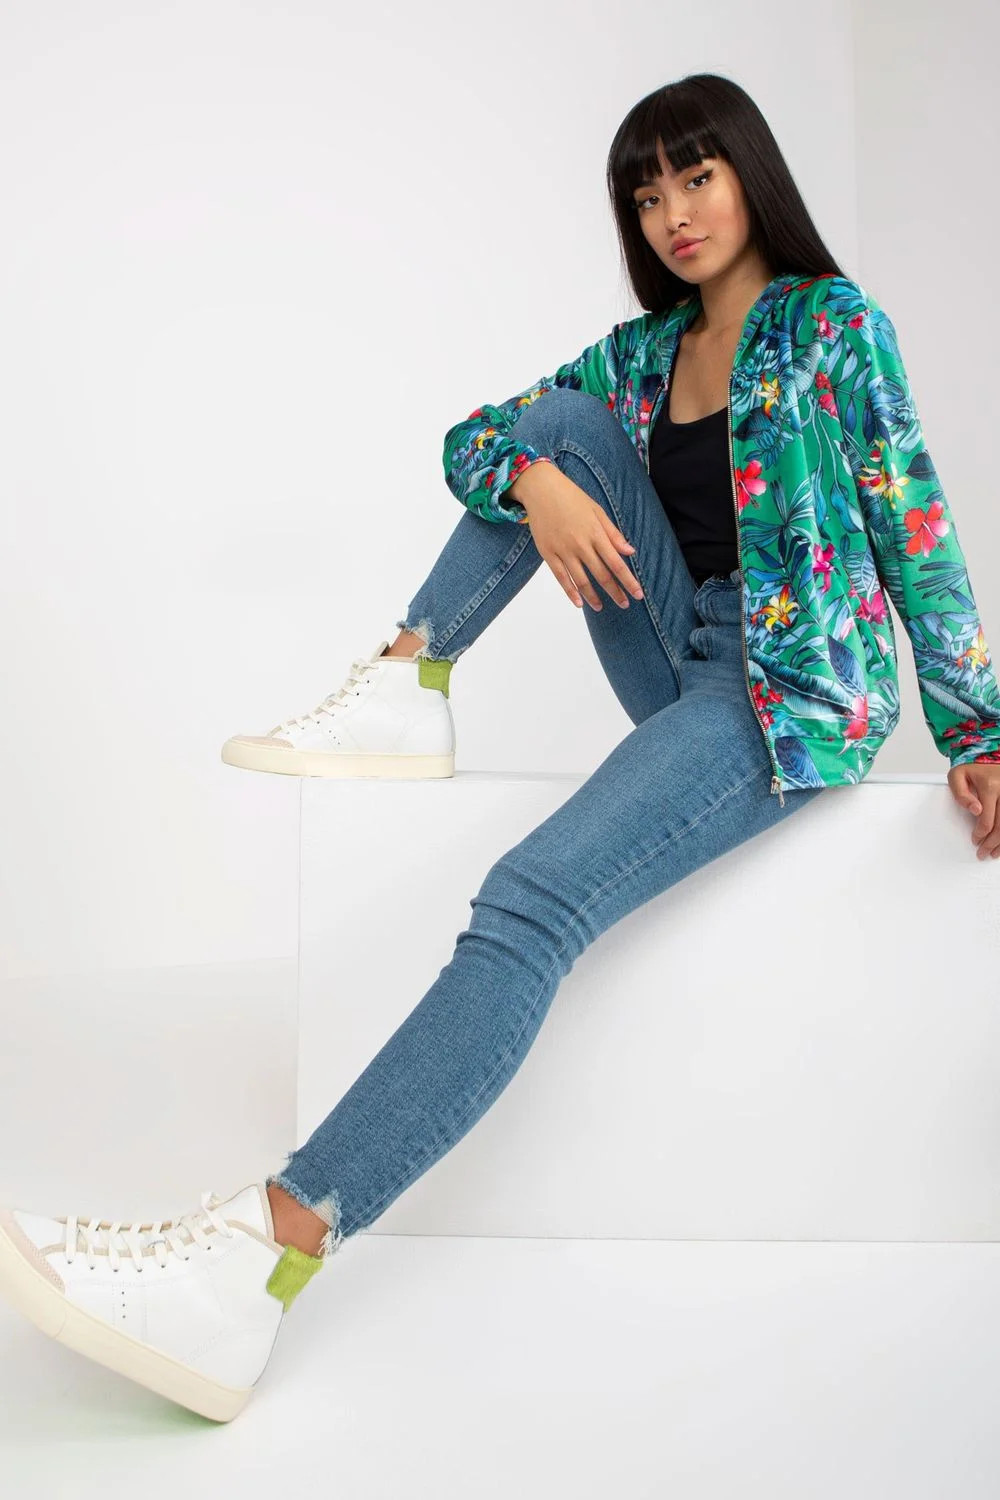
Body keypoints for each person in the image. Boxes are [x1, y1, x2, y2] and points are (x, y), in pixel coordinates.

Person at [2, 72, 998, 1426]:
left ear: (749, 176)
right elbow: (472, 439)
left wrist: (980, 727)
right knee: (553, 429)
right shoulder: (647, 355)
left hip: (784, 698)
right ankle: (408, 677)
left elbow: (915, 525)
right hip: (677, 651)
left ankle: (269, 1252)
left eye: (695, 177)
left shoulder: (834, 326)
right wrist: (536, 481)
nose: (672, 213)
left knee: (529, 904)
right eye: (646, 194)